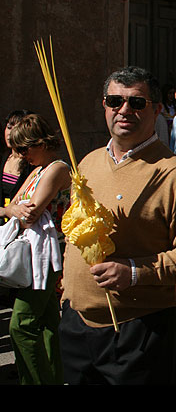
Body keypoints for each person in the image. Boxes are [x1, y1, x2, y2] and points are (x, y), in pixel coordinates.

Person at [58, 66, 176, 385]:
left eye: (136, 103)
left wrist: (135, 272)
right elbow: (77, 232)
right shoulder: (87, 163)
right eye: (115, 101)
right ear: (104, 105)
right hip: (76, 324)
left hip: (137, 329)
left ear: (156, 110)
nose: (124, 110)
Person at [3, 113, 71, 385]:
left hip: (46, 255)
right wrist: (11, 208)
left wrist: (12, 209)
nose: (20, 155)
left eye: (24, 148)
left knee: (21, 324)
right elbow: (13, 207)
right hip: (35, 254)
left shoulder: (56, 168)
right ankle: (52, 376)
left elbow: (28, 213)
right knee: (47, 323)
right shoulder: (38, 170)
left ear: (40, 142)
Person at [1, 110, 35, 223]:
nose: (11, 133)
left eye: (16, 128)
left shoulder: (33, 164)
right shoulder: (3, 158)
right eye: (9, 127)